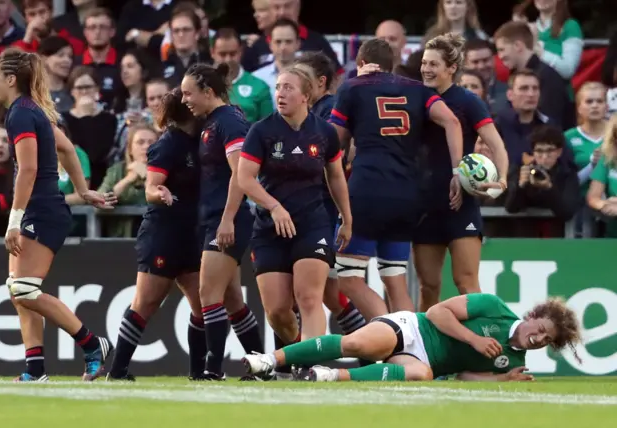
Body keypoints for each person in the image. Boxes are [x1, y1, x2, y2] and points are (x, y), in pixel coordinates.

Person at [0, 48, 116, 382]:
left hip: (41, 211)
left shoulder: (20, 114)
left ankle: (92, 343)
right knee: (18, 290)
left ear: (11, 80)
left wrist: (14, 221)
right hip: (44, 209)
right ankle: (35, 369)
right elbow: (67, 148)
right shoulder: (31, 111)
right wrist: (83, 189)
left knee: (25, 290)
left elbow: (27, 171)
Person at [328, 38, 464, 321]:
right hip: (406, 195)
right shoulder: (418, 89)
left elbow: (333, 142)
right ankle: (411, 347)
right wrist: (456, 172)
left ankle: (395, 336)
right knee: (396, 281)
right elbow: (451, 121)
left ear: (362, 64)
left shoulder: (352, 87)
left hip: (367, 191)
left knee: (349, 279)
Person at [238, 67, 352, 351]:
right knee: (277, 311)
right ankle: (301, 351)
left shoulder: (325, 131)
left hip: (313, 223)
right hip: (269, 227)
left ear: (306, 95)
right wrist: (274, 207)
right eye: (278, 87)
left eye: (288, 87)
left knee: (309, 298)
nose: (280, 93)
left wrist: (347, 218)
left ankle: (311, 364)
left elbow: (335, 177)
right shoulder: (261, 130)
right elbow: (244, 178)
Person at [242, 293, 582, 383]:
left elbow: (464, 376)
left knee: (423, 375)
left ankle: (326, 375)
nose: (538, 338)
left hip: (423, 361)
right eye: (540, 329)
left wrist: (503, 378)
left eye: (546, 340)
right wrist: (473, 340)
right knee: (357, 344)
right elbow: (436, 312)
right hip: (412, 327)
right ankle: (269, 360)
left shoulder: (516, 362)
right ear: (532, 316)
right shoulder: (493, 307)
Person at [106, 88, 203, 381]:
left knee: (203, 304)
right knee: (145, 303)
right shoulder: (167, 145)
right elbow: (150, 188)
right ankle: (118, 369)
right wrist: (158, 192)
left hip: (192, 233)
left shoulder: (200, 142)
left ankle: (199, 373)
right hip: (164, 232)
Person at [413, 33, 509, 312]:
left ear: (451, 68)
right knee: (428, 286)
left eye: (433, 64)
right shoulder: (414, 99)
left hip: (462, 203)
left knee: (466, 283)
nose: (426, 69)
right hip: (425, 204)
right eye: (424, 63)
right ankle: (425, 351)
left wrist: (501, 181)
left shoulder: (468, 101)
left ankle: (481, 345)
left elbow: (497, 146)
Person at [181, 63, 262, 380]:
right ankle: (260, 366)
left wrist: (227, 219)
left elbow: (240, 175)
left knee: (207, 293)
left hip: (227, 218)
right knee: (232, 300)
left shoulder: (228, 121)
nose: (185, 99)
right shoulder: (213, 121)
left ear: (208, 92)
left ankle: (212, 368)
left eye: (189, 92)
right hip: (216, 217)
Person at [293, 52, 367, 333]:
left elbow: (328, 158)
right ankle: (367, 347)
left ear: (320, 81)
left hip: (321, 210)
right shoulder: (313, 110)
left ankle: (294, 360)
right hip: (319, 208)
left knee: (308, 292)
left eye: (303, 78)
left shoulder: (329, 111)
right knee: (328, 293)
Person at [565, 82, 607, 237]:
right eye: (589, 101)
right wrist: (592, 166)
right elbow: (567, 182)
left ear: (606, 106)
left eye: (599, 101)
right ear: (579, 108)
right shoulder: (568, 137)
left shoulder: (614, 134)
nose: (595, 106)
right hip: (579, 208)